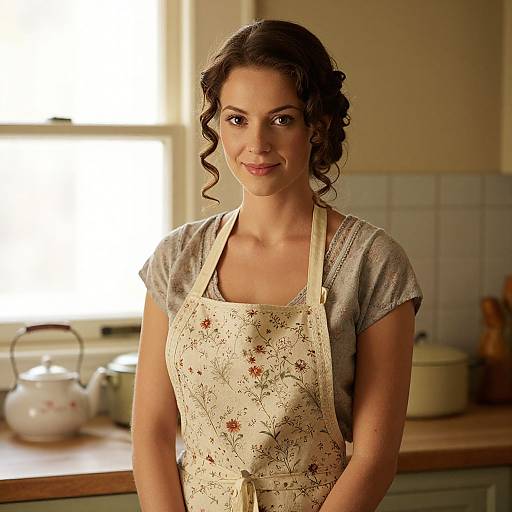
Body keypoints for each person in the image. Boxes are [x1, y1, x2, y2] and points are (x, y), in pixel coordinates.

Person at [131, 18, 423, 512]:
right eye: (237, 119)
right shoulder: (178, 258)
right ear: (217, 124)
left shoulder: (370, 263)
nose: (257, 144)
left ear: (319, 124)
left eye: (282, 118)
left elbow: (375, 458)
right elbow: (152, 436)